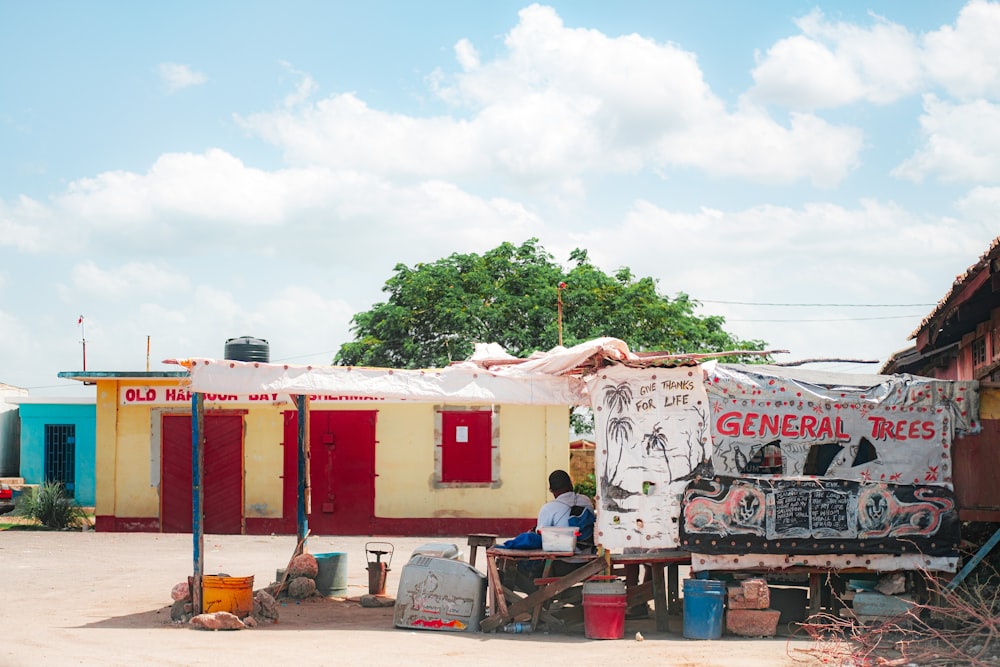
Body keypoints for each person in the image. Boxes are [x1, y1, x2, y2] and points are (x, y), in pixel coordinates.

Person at [536, 469, 595, 554]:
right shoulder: (586, 500)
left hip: (564, 560)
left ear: (551, 490)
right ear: (570, 484)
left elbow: (541, 536)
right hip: (589, 557)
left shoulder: (548, 508)